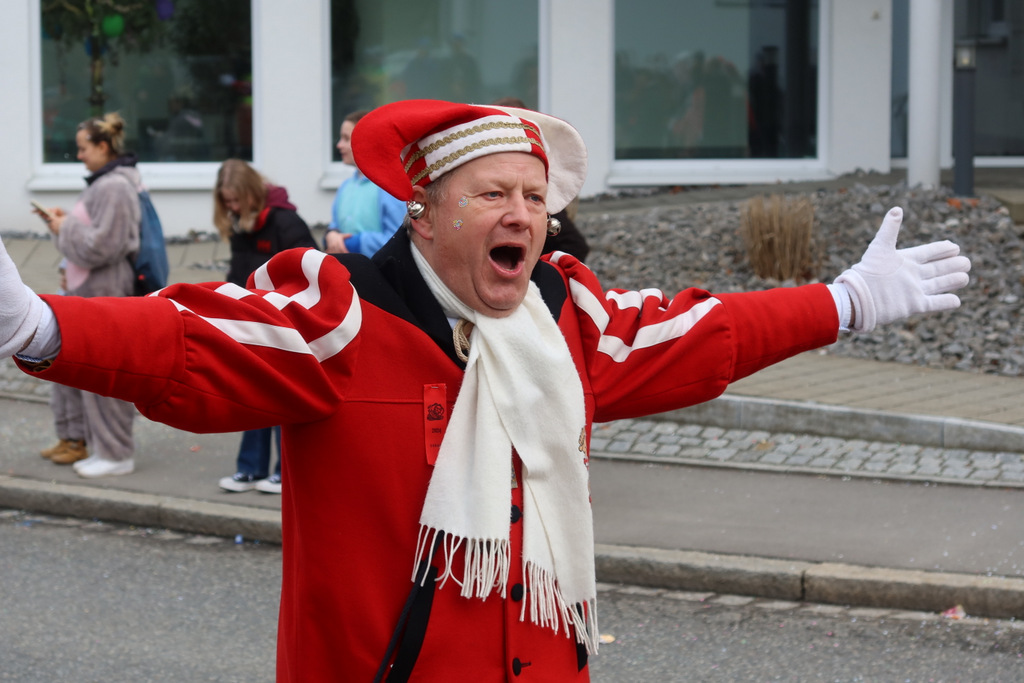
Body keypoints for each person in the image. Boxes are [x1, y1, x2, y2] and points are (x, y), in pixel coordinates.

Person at [2, 99, 970, 680]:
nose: (524, 214)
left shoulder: (566, 321)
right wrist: (42, 326)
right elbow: (194, 340)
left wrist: (844, 301)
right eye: (494, 193)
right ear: (424, 215)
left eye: (535, 198)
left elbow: (700, 330)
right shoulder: (339, 313)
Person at [33, 112, 141, 478]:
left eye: (83, 148)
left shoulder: (114, 186)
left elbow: (104, 246)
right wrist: (64, 224)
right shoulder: (106, 183)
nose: (79, 155)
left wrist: (65, 227)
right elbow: (93, 235)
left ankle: (115, 452)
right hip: (92, 290)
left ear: (103, 147)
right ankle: (94, 445)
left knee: (105, 373)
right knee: (86, 369)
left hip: (106, 290)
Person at [212, 159, 318, 494]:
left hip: (284, 322)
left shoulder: (285, 222)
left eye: (236, 200)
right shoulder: (241, 224)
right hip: (250, 320)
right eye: (227, 202)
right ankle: (251, 469)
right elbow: (237, 270)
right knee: (251, 394)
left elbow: (309, 267)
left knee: (279, 396)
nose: (232, 207)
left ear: (250, 193)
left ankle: (283, 471)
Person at [323, 109, 406, 257]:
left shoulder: (388, 187)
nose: (339, 145)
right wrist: (331, 235)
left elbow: (399, 239)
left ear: (366, 141)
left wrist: (356, 243)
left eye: (346, 138)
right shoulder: (345, 186)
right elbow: (335, 225)